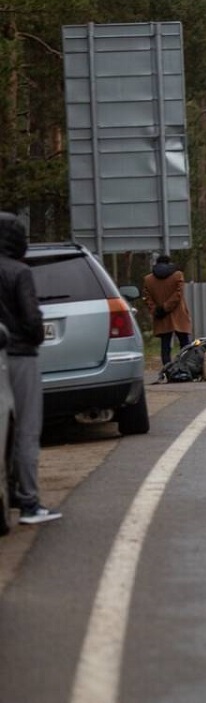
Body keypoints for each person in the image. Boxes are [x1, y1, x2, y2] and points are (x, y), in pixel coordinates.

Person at [0, 213, 60, 524]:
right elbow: (32, 318)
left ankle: (7, 493)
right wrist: (35, 336)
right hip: (20, 356)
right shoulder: (19, 272)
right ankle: (29, 502)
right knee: (26, 428)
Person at [142, 254, 193, 372]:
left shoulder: (148, 279)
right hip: (178, 314)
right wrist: (167, 307)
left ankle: (168, 370)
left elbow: (147, 298)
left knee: (165, 345)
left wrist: (156, 309)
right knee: (184, 343)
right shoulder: (177, 275)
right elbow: (178, 295)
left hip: (161, 317)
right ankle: (185, 368)